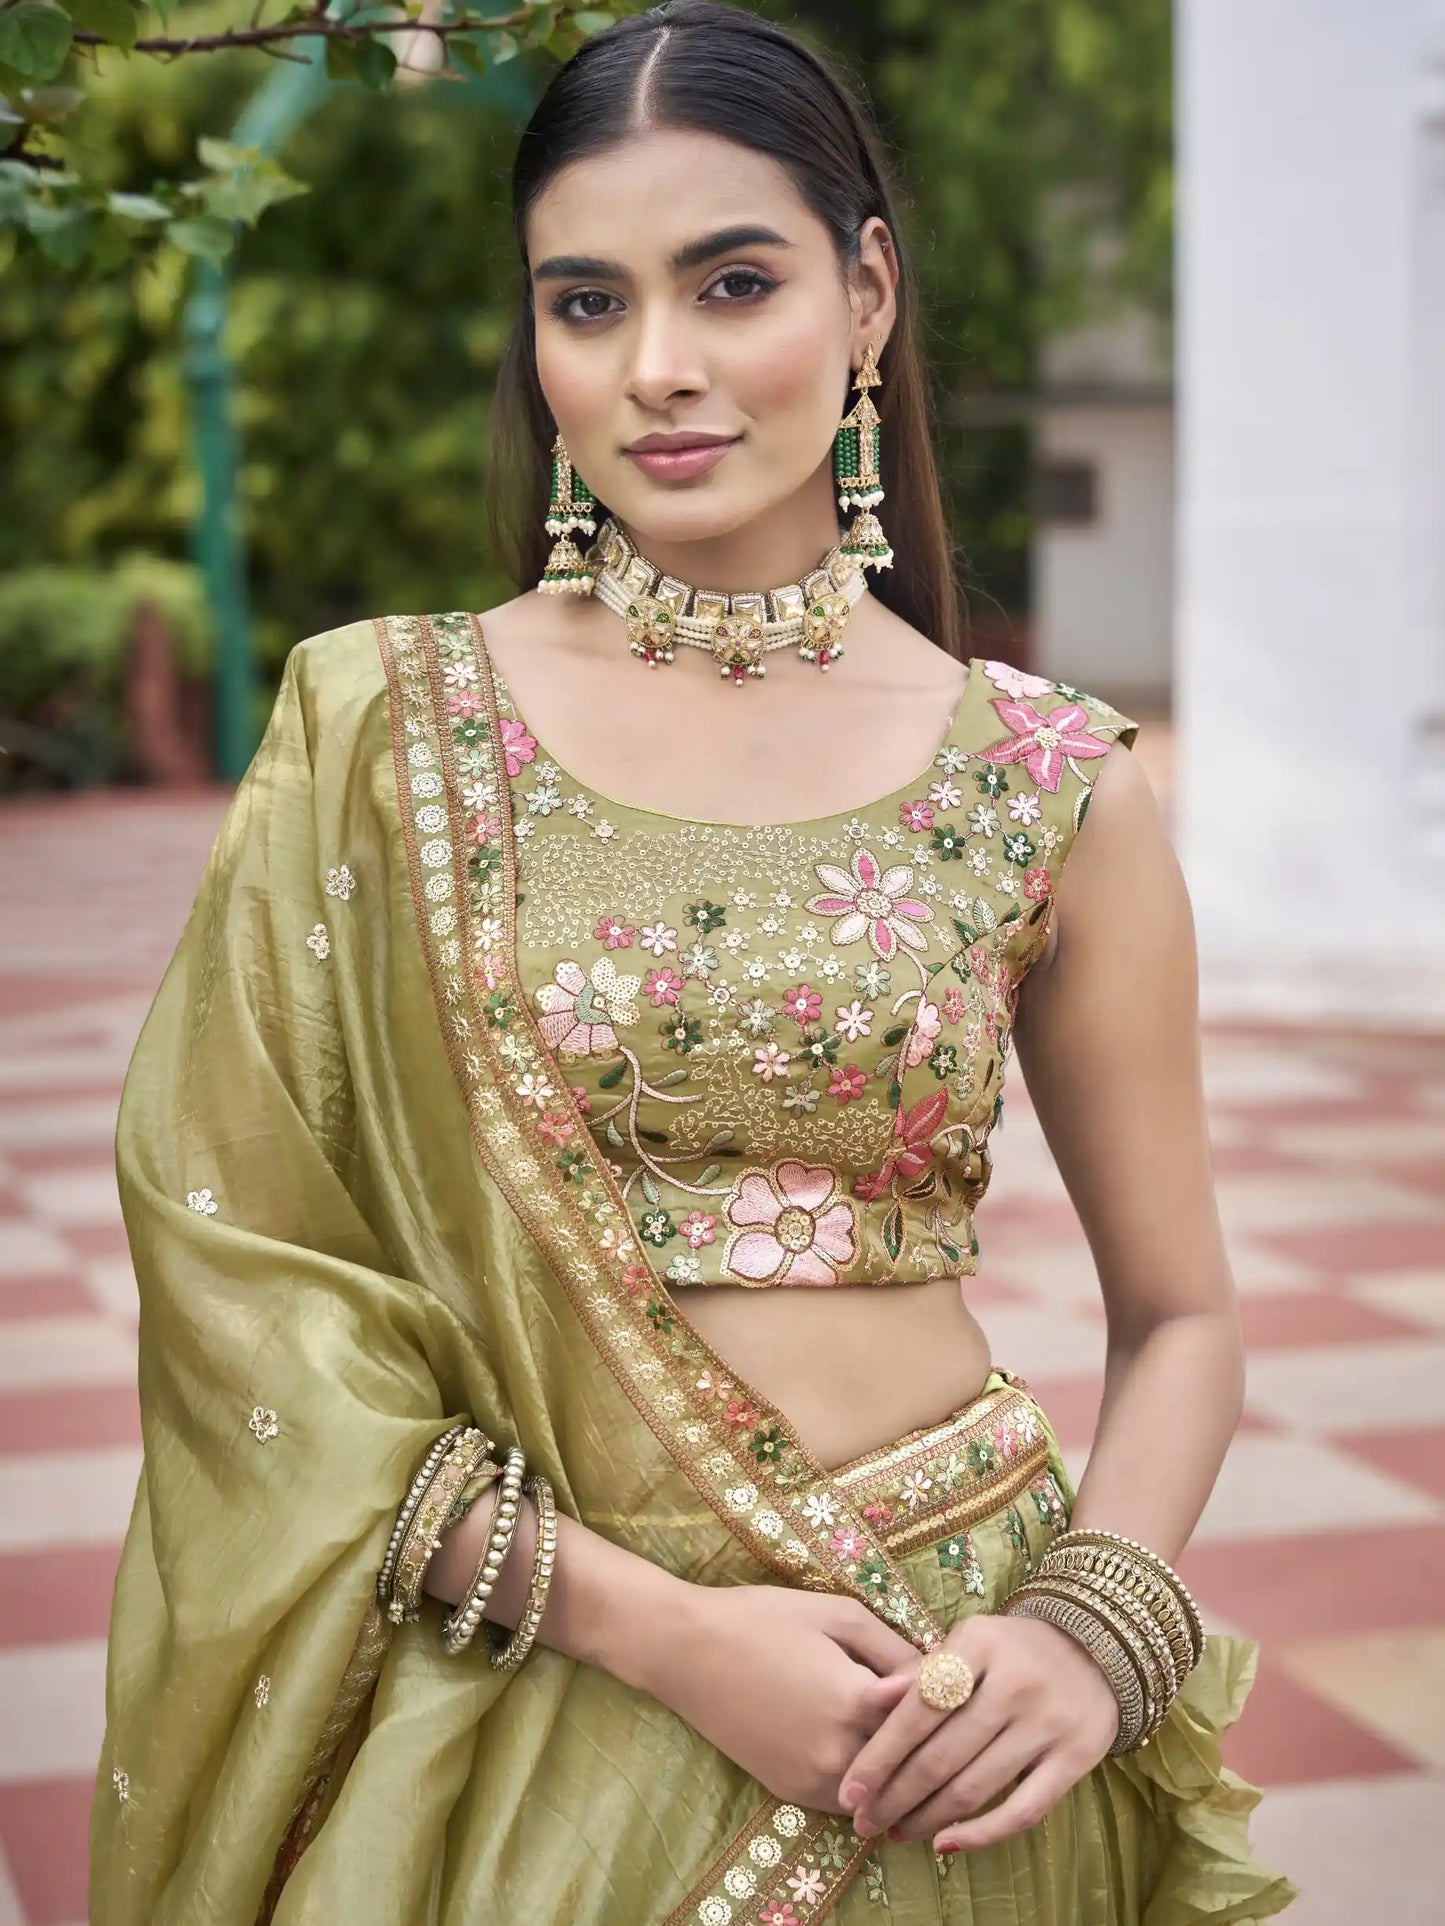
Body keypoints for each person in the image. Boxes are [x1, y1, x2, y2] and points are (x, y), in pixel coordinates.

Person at [90, 4, 1298, 1921]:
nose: (658, 367)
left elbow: (1182, 1320)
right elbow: (245, 1287)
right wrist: (657, 1627)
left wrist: (1096, 1624)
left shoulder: (1052, 779)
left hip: (952, 1704)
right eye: (584, 302)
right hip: (541, 1685)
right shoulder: (378, 730)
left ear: (865, 291)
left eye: (732, 282)